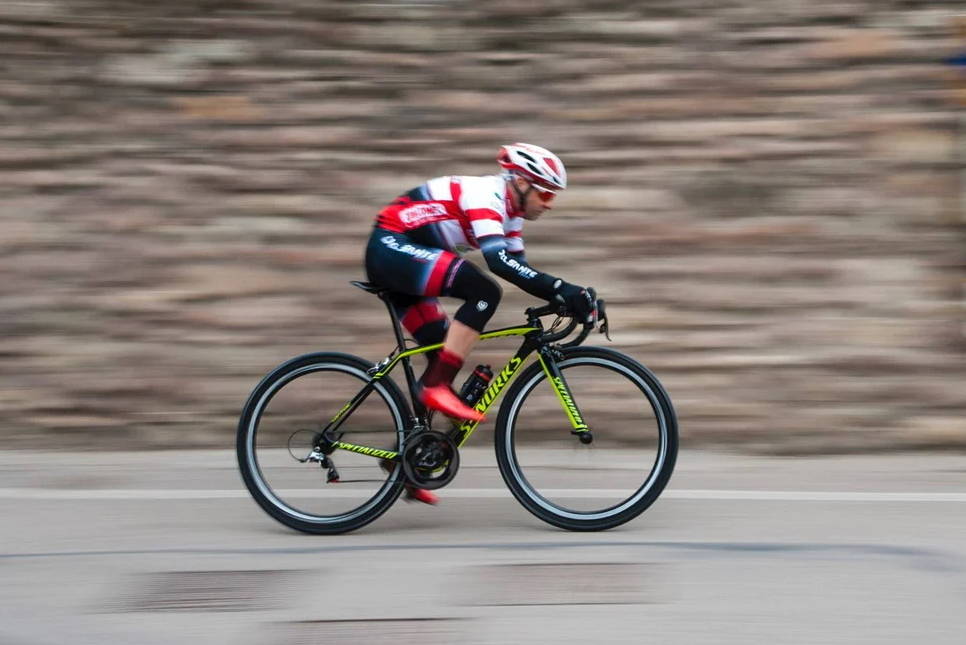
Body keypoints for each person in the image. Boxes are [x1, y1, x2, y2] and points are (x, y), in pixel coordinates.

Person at [365, 143, 598, 503]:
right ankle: (437, 387)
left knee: (441, 350)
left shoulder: (511, 217)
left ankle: (411, 465)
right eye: (546, 192)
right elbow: (499, 263)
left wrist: (569, 299)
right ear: (520, 182)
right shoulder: (485, 195)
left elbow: (523, 272)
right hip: (391, 246)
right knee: (483, 291)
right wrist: (562, 289)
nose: (550, 202)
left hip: (406, 255)